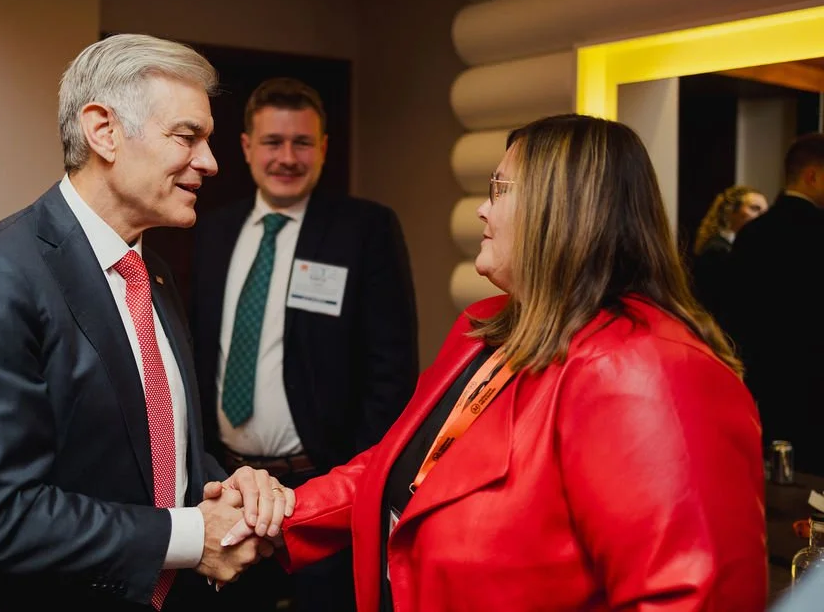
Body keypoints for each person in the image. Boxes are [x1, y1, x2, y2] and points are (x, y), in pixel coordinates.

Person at [264, 114, 767, 611]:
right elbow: (405, 467)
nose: (483, 209)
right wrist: (275, 515)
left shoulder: (648, 369)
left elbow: (694, 596)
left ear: (565, 208)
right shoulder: (485, 329)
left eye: (499, 189)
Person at [0, 34, 293, 612]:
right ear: (104, 132)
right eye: (187, 137)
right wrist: (194, 537)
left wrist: (227, 485)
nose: (210, 163)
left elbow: (153, 453)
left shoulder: (153, 273)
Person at [189, 77, 418, 611]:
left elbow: (392, 369)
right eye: (273, 142)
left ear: (324, 148)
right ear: (246, 147)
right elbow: (199, 348)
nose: (287, 158)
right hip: (229, 485)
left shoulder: (365, 229)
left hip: (320, 486)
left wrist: (354, 477)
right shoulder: (212, 230)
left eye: (302, 143)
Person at [725, 133, 824, 476]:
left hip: (762, 382)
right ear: (813, 175)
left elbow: (732, 313)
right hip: (815, 383)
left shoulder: (752, 235)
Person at [690, 185, 767, 319]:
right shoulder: (717, 250)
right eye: (754, 208)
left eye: (765, 212)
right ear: (731, 211)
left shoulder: (740, 247)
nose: (762, 216)